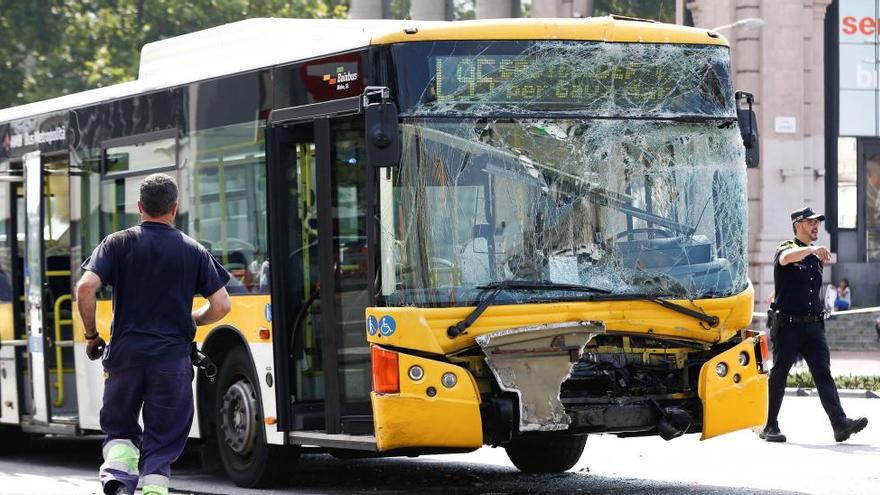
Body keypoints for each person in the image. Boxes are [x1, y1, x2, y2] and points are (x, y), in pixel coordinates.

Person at [76, 173, 231, 495]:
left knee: (120, 429)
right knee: (162, 441)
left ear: (139, 207)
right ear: (174, 209)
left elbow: (85, 287)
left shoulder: (117, 243)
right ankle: (153, 490)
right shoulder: (193, 250)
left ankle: (118, 481)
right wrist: (192, 319)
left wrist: (92, 334)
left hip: (124, 359)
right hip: (171, 363)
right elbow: (221, 305)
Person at [760, 206, 868, 443]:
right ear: (798, 225)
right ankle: (770, 426)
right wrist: (812, 249)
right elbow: (785, 259)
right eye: (811, 222)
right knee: (779, 376)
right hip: (788, 327)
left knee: (823, 374)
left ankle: (840, 424)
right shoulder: (787, 248)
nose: (816, 226)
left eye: (817, 222)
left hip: (813, 328)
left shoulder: (814, 258)